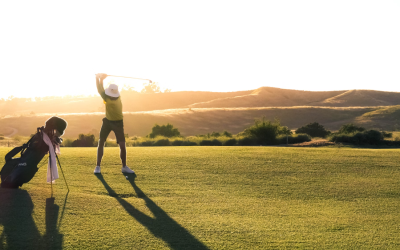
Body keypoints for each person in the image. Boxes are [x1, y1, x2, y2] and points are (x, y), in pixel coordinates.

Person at [94, 73, 135, 174]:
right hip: (107, 122)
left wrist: (99, 78)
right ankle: (98, 166)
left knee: (122, 145)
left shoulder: (107, 98)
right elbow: (100, 89)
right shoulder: (117, 96)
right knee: (101, 142)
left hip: (118, 123)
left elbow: (99, 89)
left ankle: (124, 167)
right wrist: (100, 79)